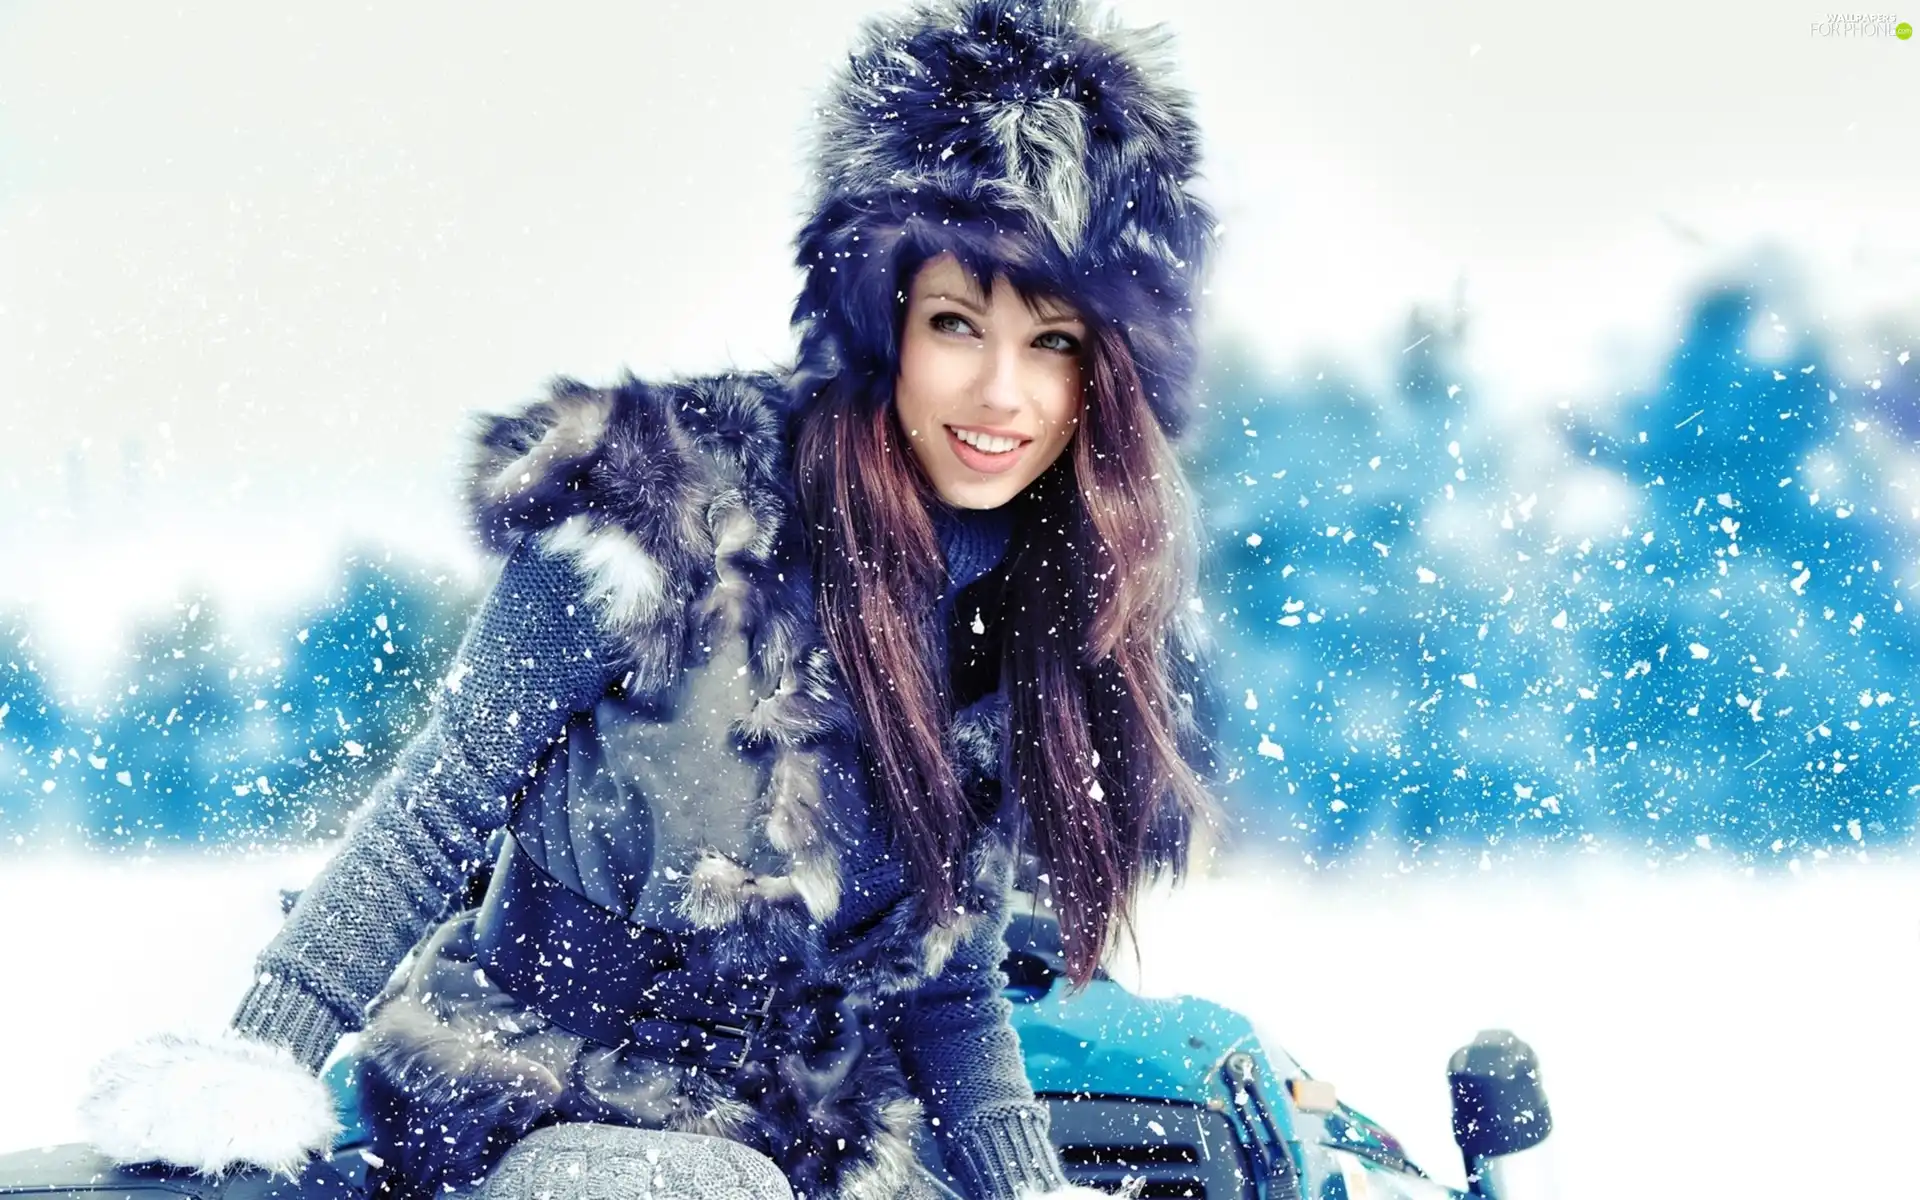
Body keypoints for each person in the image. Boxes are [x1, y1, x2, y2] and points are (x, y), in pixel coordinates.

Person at [78, 1, 1223, 1197]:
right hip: (542, 1094)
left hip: (816, 1140)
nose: (1002, 392)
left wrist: (1026, 1186)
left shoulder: (1020, 606)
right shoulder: (668, 501)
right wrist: (255, 1062)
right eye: (956, 324)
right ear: (880, 320)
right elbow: (440, 803)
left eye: (1052, 342)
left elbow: (947, 980)